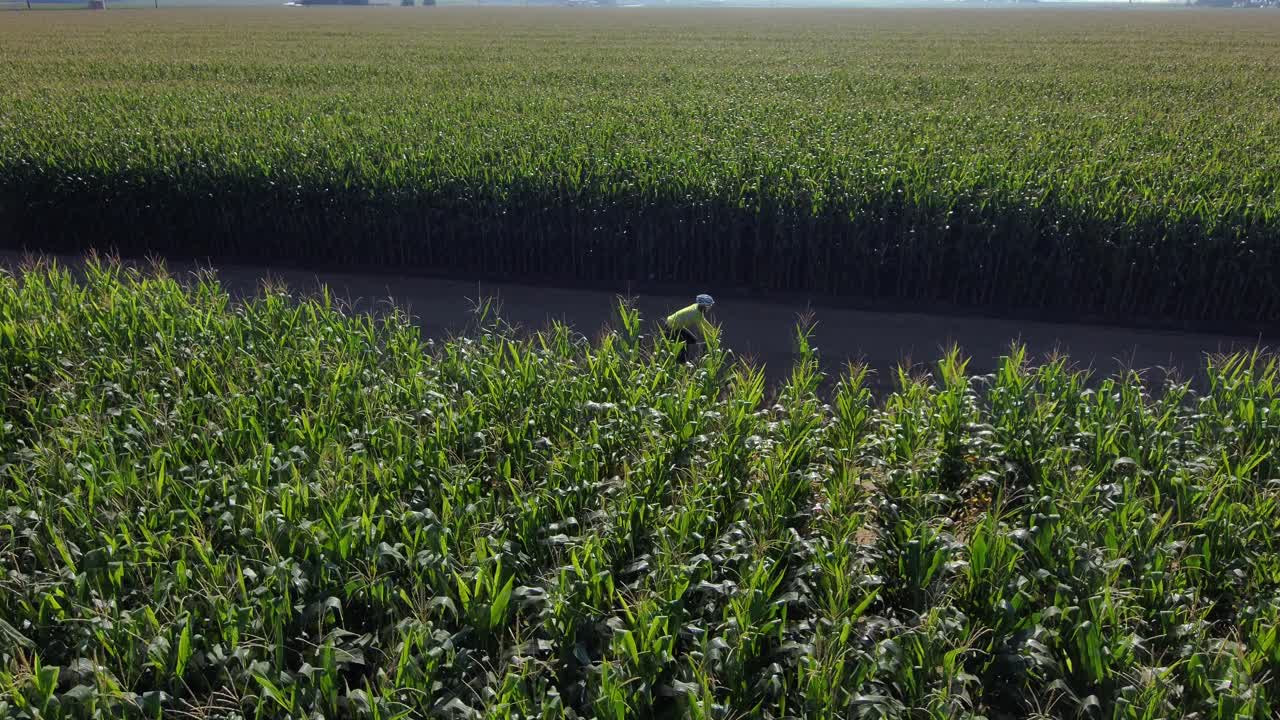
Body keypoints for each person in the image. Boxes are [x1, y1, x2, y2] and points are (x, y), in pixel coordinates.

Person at [664, 294, 714, 363]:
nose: (709, 308)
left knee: (692, 340)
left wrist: (712, 329)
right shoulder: (695, 314)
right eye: (708, 306)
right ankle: (681, 363)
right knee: (683, 345)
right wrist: (711, 339)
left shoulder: (696, 307)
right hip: (671, 328)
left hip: (677, 327)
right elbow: (702, 330)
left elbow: (703, 320)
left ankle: (684, 356)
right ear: (703, 306)